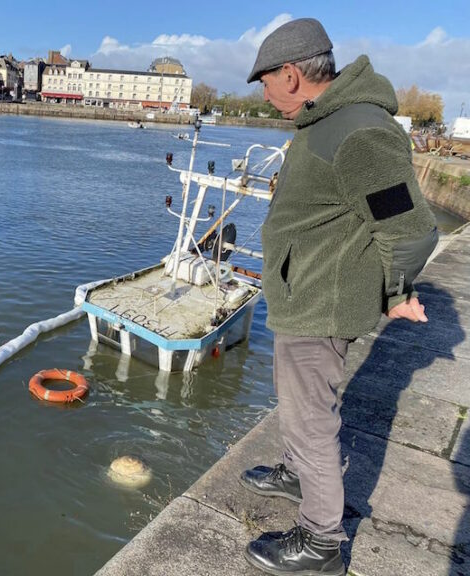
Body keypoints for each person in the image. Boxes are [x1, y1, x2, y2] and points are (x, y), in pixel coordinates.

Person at [239, 18, 438, 576]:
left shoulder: (359, 133)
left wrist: (396, 291)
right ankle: (298, 472)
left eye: (265, 82)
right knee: (298, 403)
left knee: (310, 419)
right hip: (306, 294)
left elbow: (412, 229)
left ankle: (321, 542)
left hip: (321, 304)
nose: (264, 93)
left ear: (292, 74)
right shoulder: (327, 122)